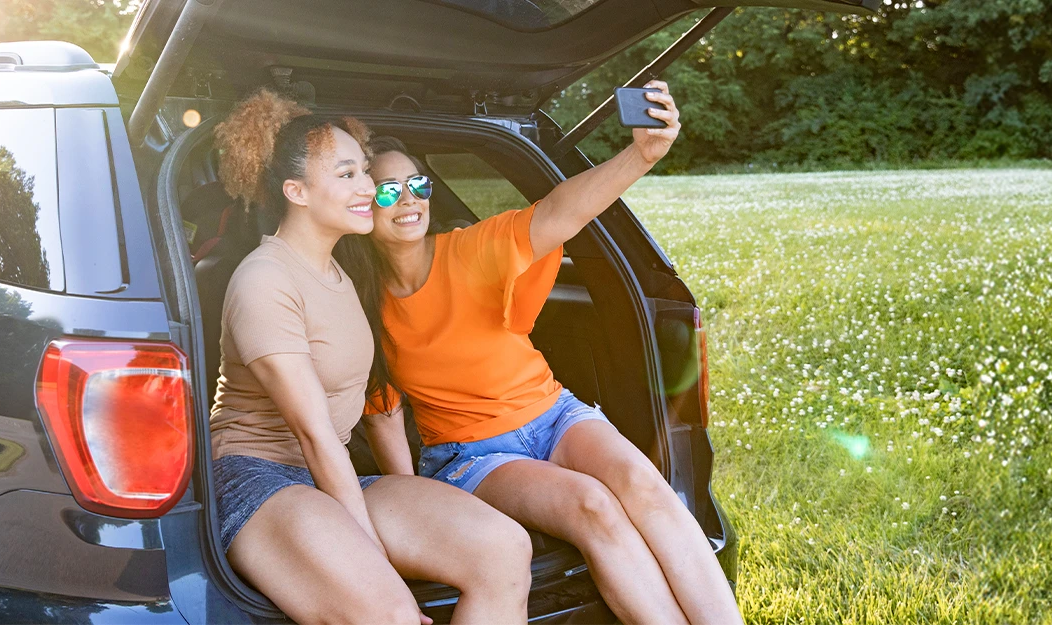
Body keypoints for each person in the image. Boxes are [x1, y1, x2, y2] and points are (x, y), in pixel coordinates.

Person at [340, 82, 743, 624]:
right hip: (471, 456)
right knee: (593, 507)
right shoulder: (363, 305)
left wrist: (641, 154)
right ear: (365, 205)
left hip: (555, 413)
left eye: (416, 183)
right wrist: (412, 509)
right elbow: (385, 414)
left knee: (643, 484)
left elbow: (561, 211)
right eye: (387, 191)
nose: (408, 200)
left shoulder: (470, 249)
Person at [208, 89, 532, 625]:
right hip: (257, 479)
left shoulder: (342, 272)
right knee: (390, 615)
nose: (367, 188)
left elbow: (374, 405)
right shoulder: (265, 279)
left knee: (503, 550)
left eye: (363, 171)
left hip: (330, 475)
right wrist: (376, 557)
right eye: (346, 175)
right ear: (297, 191)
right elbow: (312, 431)